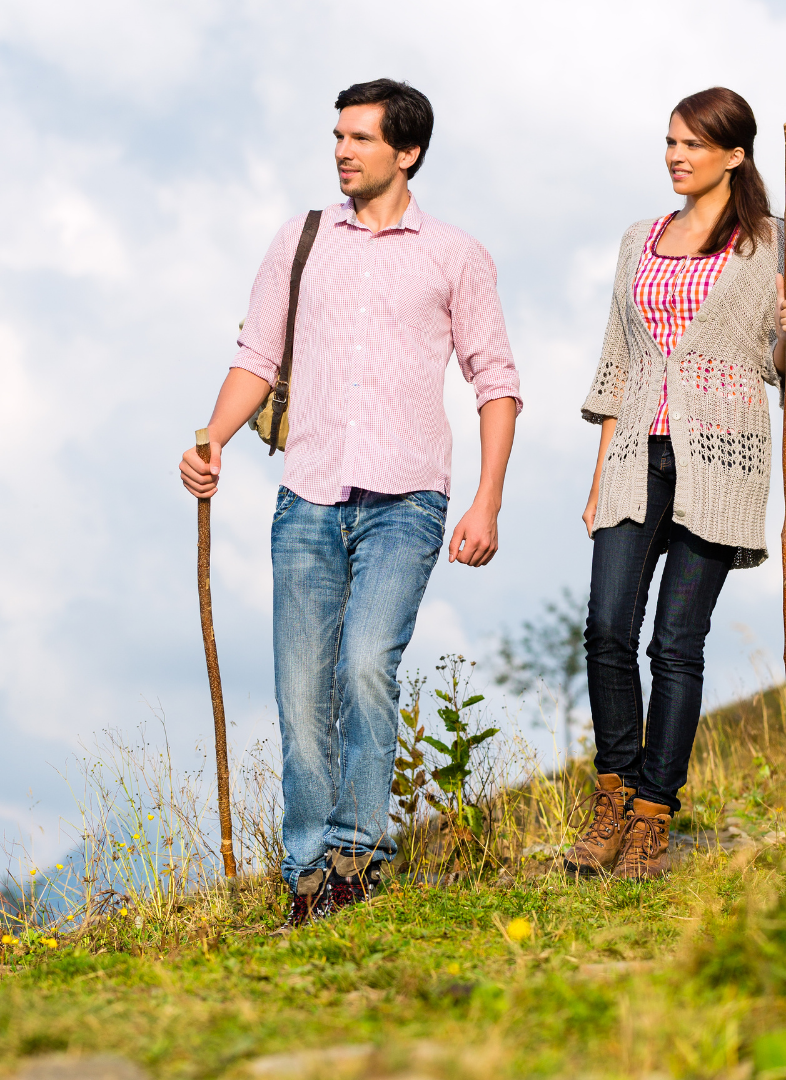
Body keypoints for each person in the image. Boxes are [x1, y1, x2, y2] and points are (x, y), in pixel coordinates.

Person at [179, 79, 522, 924]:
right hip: (307, 497)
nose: (342, 151)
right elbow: (258, 355)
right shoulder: (300, 241)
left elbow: (497, 381)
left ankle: (358, 859)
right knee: (301, 689)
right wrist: (214, 437)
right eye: (338, 135)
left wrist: (487, 501)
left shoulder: (454, 254)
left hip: (408, 500)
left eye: (362, 138)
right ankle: (307, 874)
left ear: (406, 152)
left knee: (366, 664)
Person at [567, 87, 786, 880]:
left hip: (723, 457)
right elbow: (618, 363)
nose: (676, 156)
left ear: (734, 155)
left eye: (692, 145)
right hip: (638, 453)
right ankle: (613, 793)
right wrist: (601, 471)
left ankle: (652, 813)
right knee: (607, 627)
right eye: (670, 142)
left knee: (676, 643)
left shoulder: (772, 241)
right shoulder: (639, 238)